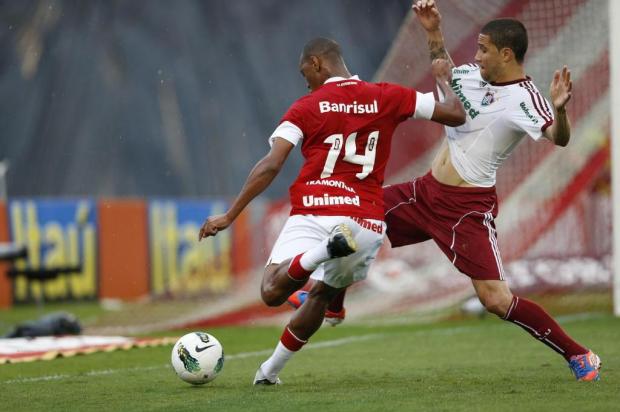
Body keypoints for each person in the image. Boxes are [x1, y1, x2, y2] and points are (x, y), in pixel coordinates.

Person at [290, 0, 602, 382]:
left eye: (484, 49)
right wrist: (433, 31)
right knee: (357, 219)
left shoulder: (527, 97)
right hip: (425, 192)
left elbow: (559, 138)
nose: (476, 55)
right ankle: (332, 301)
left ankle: (579, 354)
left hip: (467, 209)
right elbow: (444, 71)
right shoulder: (470, 74)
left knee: (495, 300)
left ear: (507, 54)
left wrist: (562, 110)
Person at [199, 37, 466, 384]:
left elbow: (270, 165)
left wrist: (229, 215)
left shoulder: (305, 107)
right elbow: (455, 113)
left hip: (315, 209)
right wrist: (443, 76)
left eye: (304, 72)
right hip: (366, 221)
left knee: (271, 291)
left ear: (316, 64)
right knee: (321, 296)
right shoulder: (388, 95)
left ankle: (322, 253)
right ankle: (269, 372)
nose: (305, 81)